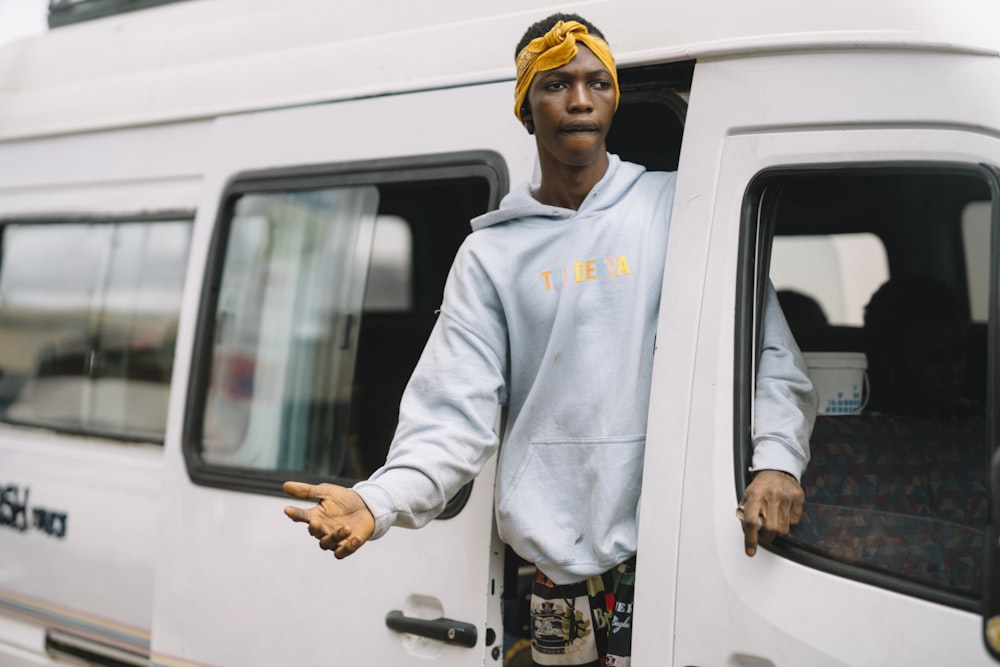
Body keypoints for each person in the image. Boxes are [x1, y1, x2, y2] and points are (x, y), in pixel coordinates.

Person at [284, 13, 816, 665]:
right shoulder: (492, 254)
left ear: (615, 96)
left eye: (597, 82)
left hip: (677, 567)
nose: (581, 100)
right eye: (557, 84)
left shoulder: (681, 210)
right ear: (524, 105)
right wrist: (377, 499)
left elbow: (769, 357)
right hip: (550, 586)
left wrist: (778, 459)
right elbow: (453, 420)